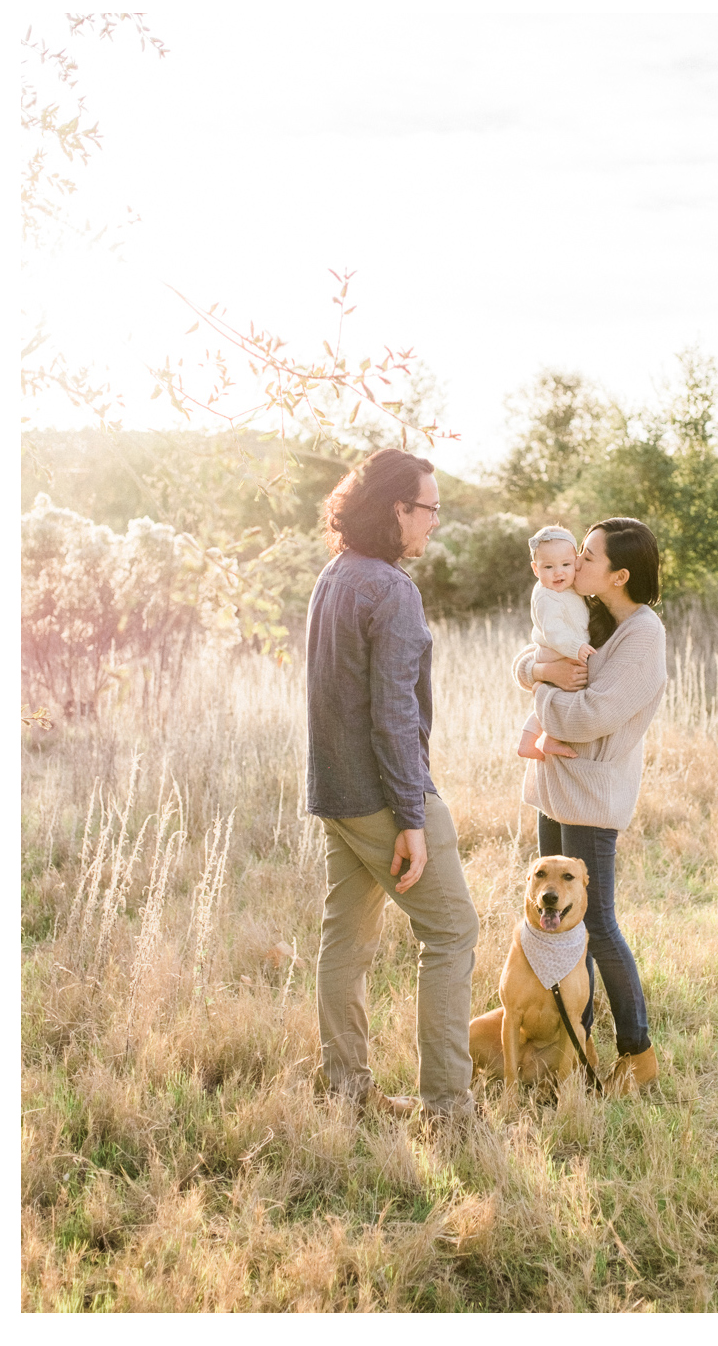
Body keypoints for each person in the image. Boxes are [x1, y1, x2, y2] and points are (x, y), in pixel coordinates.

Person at [305, 448, 479, 1121]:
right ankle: (447, 1107)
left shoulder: (336, 573)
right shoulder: (392, 589)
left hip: (337, 792)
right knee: (452, 930)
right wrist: (411, 814)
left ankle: (349, 1092)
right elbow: (394, 713)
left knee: (345, 936)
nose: (435, 521)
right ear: (395, 509)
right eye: (428, 508)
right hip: (381, 794)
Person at [512, 517, 667, 1097]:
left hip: (592, 797)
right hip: (554, 785)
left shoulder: (643, 635)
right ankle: (579, 1037)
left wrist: (543, 688)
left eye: (587, 555)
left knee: (596, 924)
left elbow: (592, 716)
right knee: (558, 924)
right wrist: (539, 670)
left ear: (619, 574)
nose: (575, 563)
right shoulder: (587, 614)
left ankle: (639, 1053)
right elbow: (527, 657)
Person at [516, 524, 596, 762]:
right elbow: (553, 631)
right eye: (548, 567)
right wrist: (576, 648)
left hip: (564, 652)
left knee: (554, 697)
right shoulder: (545, 595)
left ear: (576, 563)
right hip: (554, 653)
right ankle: (535, 739)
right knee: (558, 695)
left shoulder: (572, 590)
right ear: (535, 569)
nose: (558, 573)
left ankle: (539, 738)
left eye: (566, 565)